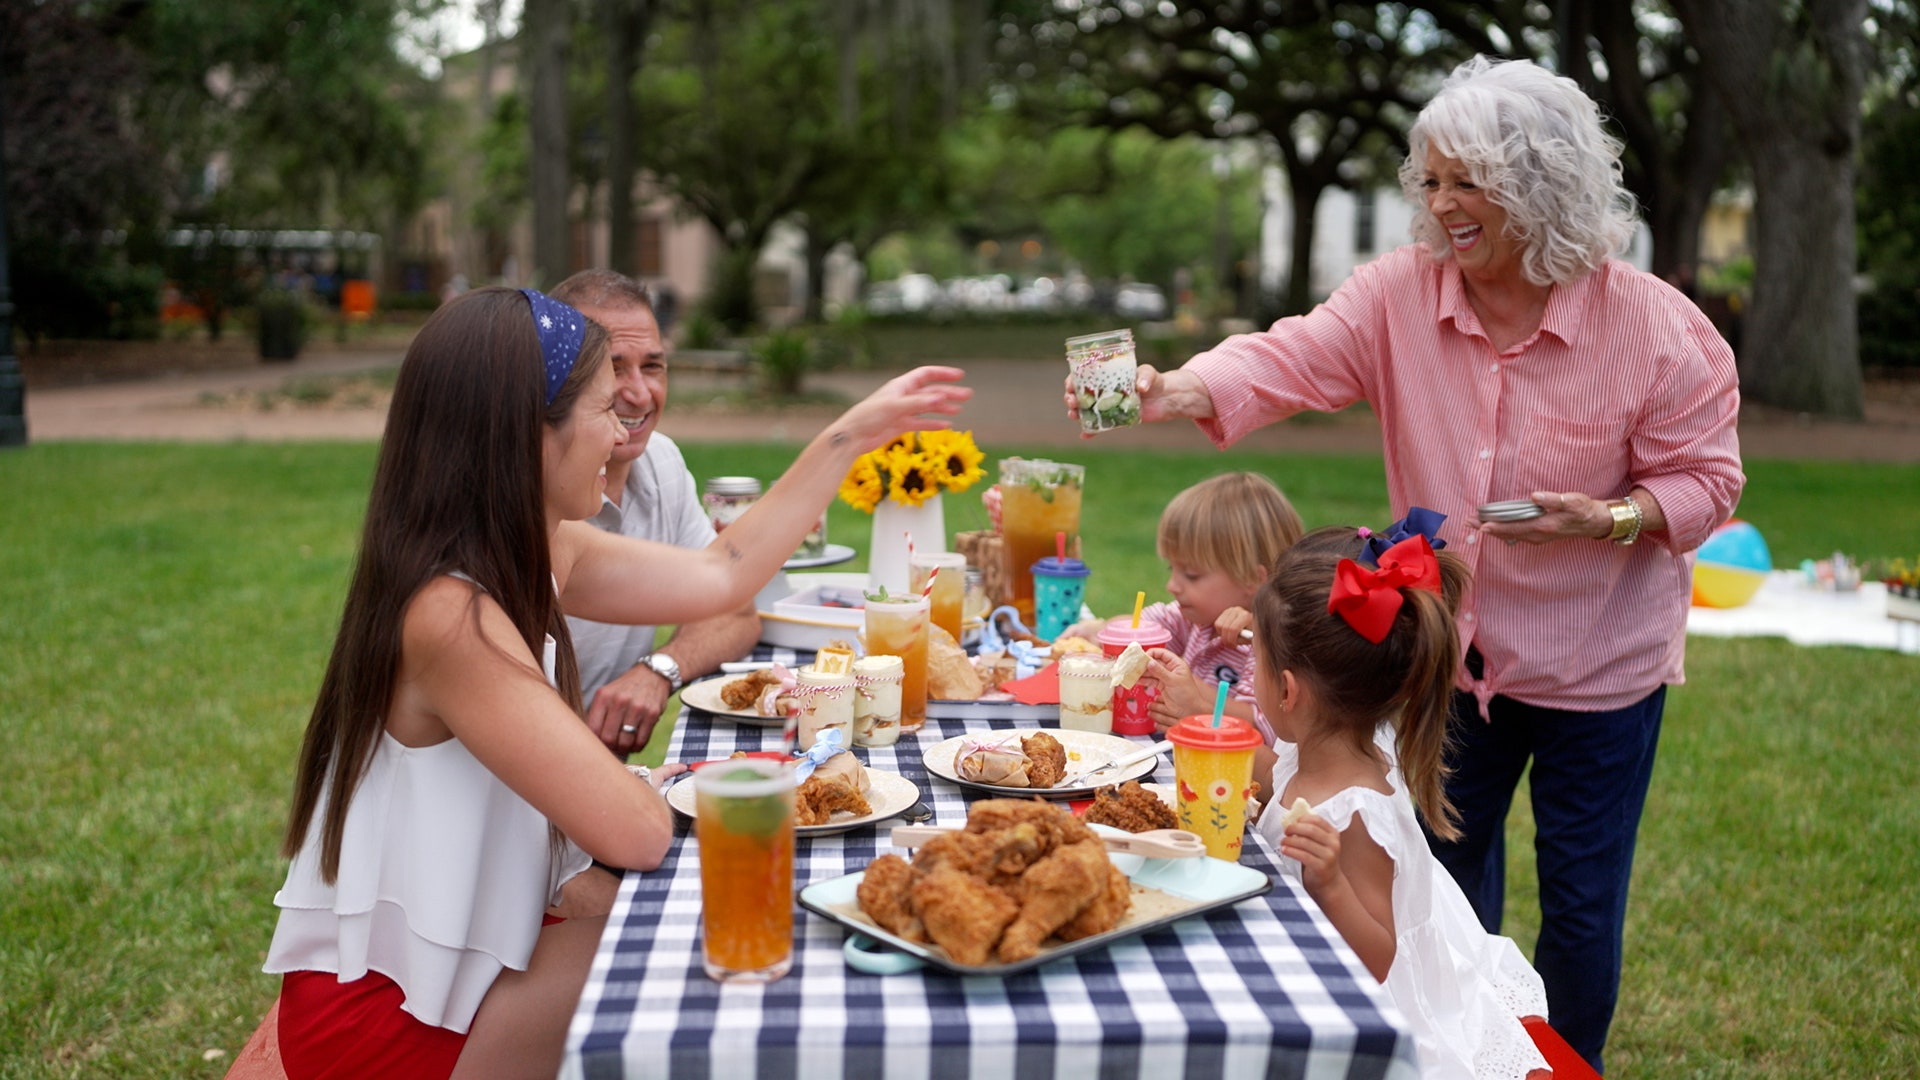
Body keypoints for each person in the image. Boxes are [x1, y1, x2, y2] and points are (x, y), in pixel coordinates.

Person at [1074, 56, 1744, 1071]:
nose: (1440, 206)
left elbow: (1707, 480)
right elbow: (1291, 354)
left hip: (1597, 668)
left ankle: (1563, 1068)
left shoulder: (1657, 329)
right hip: (1444, 662)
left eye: (1466, 182)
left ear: (1539, 183)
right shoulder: (1402, 293)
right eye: (1429, 181)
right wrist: (1174, 388)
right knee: (1438, 887)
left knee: (1580, 906)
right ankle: (1446, 1054)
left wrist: (1608, 517)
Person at [263, 286, 968, 1079]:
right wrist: (634, 784)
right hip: (397, 1015)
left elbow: (720, 574)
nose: (625, 431)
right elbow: (635, 833)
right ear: (527, 432)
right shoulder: (450, 616)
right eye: (605, 410)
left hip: (467, 964)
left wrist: (852, 432)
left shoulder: (540, 547)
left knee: (751, 943)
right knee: (733, 954)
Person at [1253, 525, 1551, 1079]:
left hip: (1374, 1023)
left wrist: (1329, 884)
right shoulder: (1322, 753)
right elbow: (1279, 780)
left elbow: (1379, 956)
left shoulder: (1356, 813)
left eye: (1257, 663)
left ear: (1288, 691)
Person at [549, 270, 760, 756]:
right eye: (613, 368)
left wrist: (660, 668)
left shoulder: (660, 461)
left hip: (594, 783)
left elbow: (735, 609)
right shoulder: (536, 503)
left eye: (653, 366)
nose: (640, 394)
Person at [1059, 471, 1302, 738]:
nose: (1172, 585)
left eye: (1191, 575)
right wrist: (1100, 629)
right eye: (1171, 569)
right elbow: (1140, 628)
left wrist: (1187, 689)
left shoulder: (1271, 643)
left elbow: (1262, 727)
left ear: (1253, 579)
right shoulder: (1194, 617)